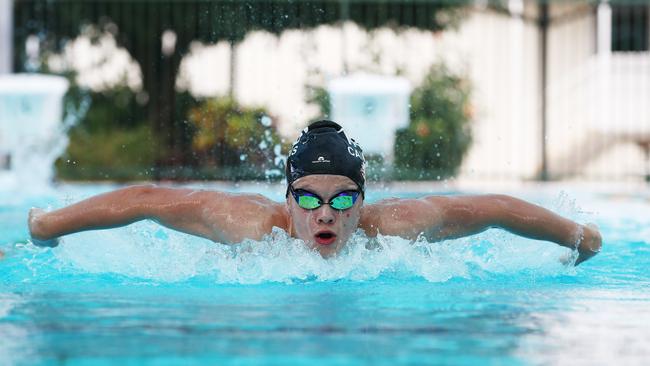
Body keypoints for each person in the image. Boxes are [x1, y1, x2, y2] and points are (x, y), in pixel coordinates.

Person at [28, 120, 602, 265]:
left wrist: (583, 237)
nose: (324, 213)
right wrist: (46, 226)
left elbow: (496, 208)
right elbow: (144, 200)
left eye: (342, 199)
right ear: (286, 201)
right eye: (307, 198)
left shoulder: (395, 225)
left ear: (363, 201)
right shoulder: (250, 223)